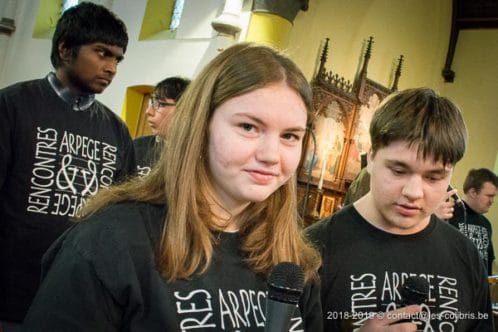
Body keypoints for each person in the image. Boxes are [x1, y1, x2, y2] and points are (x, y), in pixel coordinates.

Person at [22, 43, 324, 331]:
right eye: (248, 127)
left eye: (290, 136)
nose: (271, 155)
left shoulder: (293, 262)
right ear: (200, 126)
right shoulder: (109, 243)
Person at [306, 87, 494, 331]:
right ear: (371, 158)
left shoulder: (466, 256)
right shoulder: (312, 250)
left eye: (434, 177)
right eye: (398, 171)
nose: (414, 192)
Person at [0, 2, 135, 329]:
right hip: (10, 292)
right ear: (65, 48)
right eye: (102, 53)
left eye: (117, 58)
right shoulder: (12, 106)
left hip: (77, 298)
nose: (112, 68)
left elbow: (122, 216)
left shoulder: (116, 131)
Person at [133, 76, 190, 176]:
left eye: (159, 104)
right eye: (151, 103)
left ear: (185, 109)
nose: (148, 111)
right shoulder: (136, 147)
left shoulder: (203, 154)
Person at [447, 168, 498, 276]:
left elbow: (488, 261)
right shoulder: (448, 215)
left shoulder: (486, 223)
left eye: (494, 196)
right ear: (473, 192)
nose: (491, 201)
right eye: (489, 196)